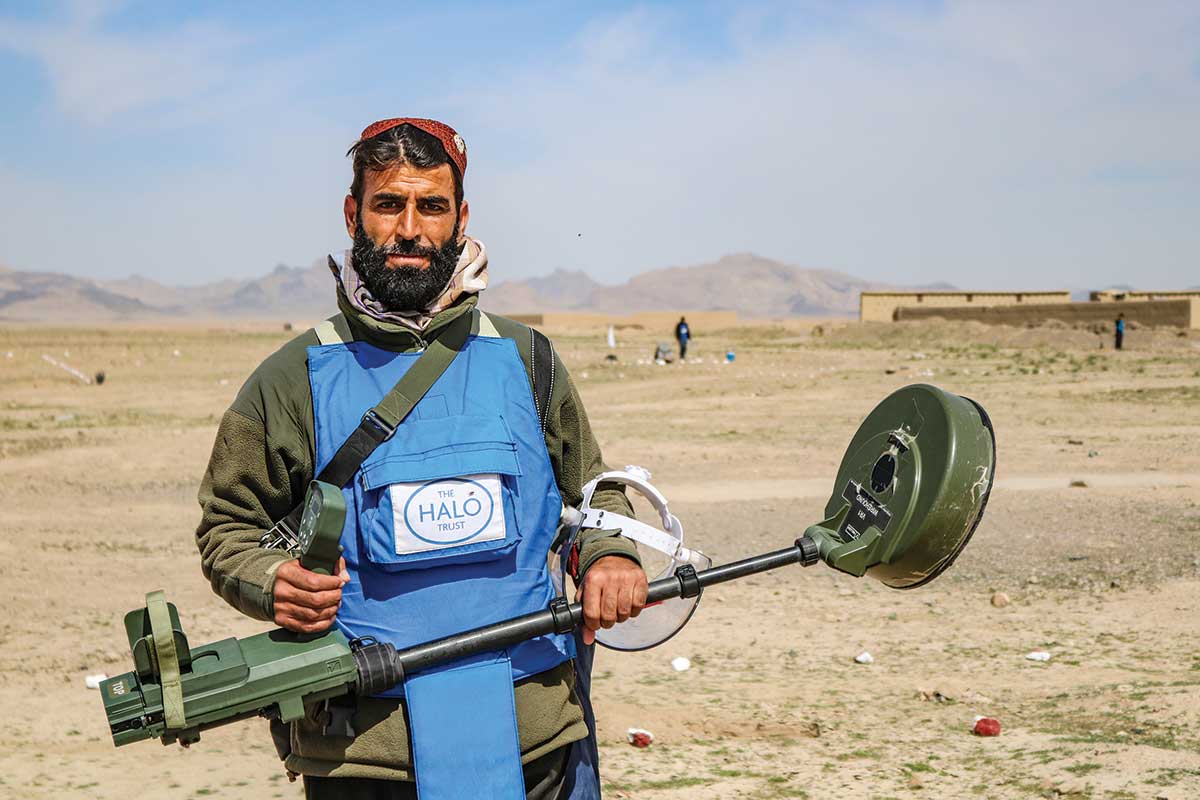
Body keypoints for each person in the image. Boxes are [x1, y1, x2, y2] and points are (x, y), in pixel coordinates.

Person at [195, 118, 648, 799]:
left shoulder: (528, 359)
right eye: (389, 204)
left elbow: (594, 496)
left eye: (431, 206)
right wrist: (274, 579)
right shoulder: (292, 378)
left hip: (534, 743)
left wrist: (612, 554)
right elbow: (227, 528)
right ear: (355, 213)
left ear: (460, 217)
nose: (410, 229)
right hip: (363, 756)